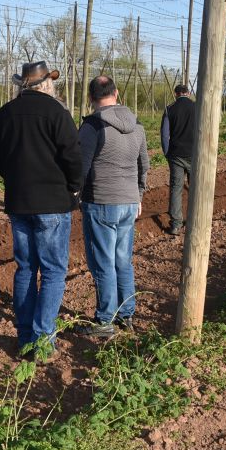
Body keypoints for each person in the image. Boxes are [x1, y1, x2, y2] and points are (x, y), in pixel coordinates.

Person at [0, 61, 82, 356]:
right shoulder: (57, 112)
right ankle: (43, 342)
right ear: (46, 84)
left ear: (22, 85)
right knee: (53, 271)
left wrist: (15, 177)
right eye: (51, 81)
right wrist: (73, 185)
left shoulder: (4, 114)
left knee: (26, 268)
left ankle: (26, 339)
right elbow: (73, 156)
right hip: (52, 203)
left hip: (19, 202)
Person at [77, 76, 149, 337]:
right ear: (116, 93)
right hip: (129, 202)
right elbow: (144, 165)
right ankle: (126, 314)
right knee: (123, 260)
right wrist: (138, 195)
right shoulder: (137, 126)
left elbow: (81, 168)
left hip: (102, 201)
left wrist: (76, 197)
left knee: (103, 262)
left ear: (91, 98)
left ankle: (105, 319)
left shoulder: (92, 126)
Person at [161, 84, 196, 236]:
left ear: (176, 94)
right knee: (195, 187)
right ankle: (195, 220)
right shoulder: (197, 107)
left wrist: (167, 152)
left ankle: (176, 225)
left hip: (176, 154)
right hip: (195, 154)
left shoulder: (170, 109)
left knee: (176, 188)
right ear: (188, 93)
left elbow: (164, 134)